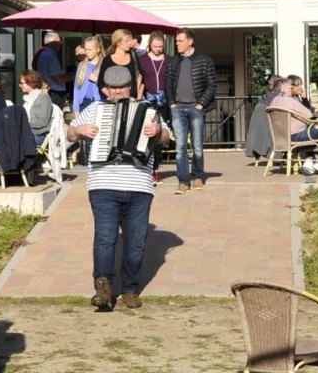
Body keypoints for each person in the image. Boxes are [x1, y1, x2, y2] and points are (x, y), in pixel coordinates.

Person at [70, 65, 170, 310]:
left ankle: (130, 289)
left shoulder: (149, 110)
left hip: (140, 185)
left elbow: (167, 137)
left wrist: (158, 131)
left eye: (122, 87)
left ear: (130, 87)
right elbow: (71, 133)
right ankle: (103, 289)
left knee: (136, 242)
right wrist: (80, 130)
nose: (117, 92)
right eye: (113, 88)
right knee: (105, 239)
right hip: (103, 184)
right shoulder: (95, 109)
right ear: (105, 89)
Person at [164, 28, 215, 194]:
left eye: (180, 41)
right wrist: (172, 103)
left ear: (190, 41)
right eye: (176, 41)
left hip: (196, 108)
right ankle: (183, 181)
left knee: (197, 146)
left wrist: (201, 104)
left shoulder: (204, 60)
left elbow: (211, 85)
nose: (177, 44)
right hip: (177, 109)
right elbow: (167, 85)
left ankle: (197, 177)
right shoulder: (173, 61)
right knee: (180, 147)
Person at [98, 29, 143, 99]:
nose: (130, 43)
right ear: (118, 42)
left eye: (130, 40)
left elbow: (141, 78)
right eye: (127, 41)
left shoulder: (134, 56)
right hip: (115, 100)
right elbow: (101, 83)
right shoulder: (107, 60)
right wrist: (113, 97)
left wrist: (139, 97)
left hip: (133, 99)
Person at [33, 32, 73, 108]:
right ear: (52, 42)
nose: (60, 43)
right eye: (59, 41)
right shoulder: (49, 56)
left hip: (50, 91)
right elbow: (58, 79)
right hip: (54, 94)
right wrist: (75, 76)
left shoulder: (45, 54)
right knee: (55, 114)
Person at [19, 71, 57, 145]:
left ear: (30, 83)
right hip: (28, 132)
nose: (19, 85)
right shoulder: (27, 99)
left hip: (38, 134)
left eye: (22, 83)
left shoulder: (43, 97)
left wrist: (24, 124)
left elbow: (43, 121)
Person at [72, 35, 105, 115]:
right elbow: (76, 88)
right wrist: (76, 110)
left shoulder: (104, 64)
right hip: (84, 103)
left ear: (98, 49)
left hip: (100, 103)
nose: (87, 52)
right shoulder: (82, 65)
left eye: (90, 50)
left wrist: (97, 80)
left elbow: (108, 87)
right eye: (86, 49)